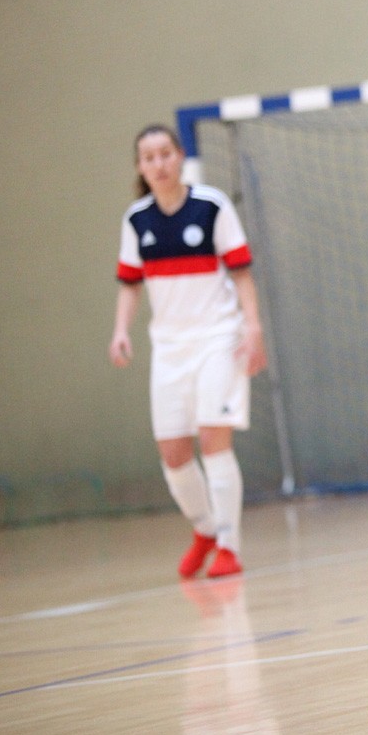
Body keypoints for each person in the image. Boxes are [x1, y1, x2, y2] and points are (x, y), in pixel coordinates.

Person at [109, 124, 267, 579]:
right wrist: (120, 330)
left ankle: (229, 547)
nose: (159, 164)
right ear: (140, 167)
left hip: (218, 338)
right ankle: (205, 530)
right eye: (149, 157)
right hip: (169, 350)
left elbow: (241, 272)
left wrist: (253, 327)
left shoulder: (212, 206)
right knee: (174, 454)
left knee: (214, 442)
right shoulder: (136, 220)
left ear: (180, 156)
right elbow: (129, 284)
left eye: (166, 153)